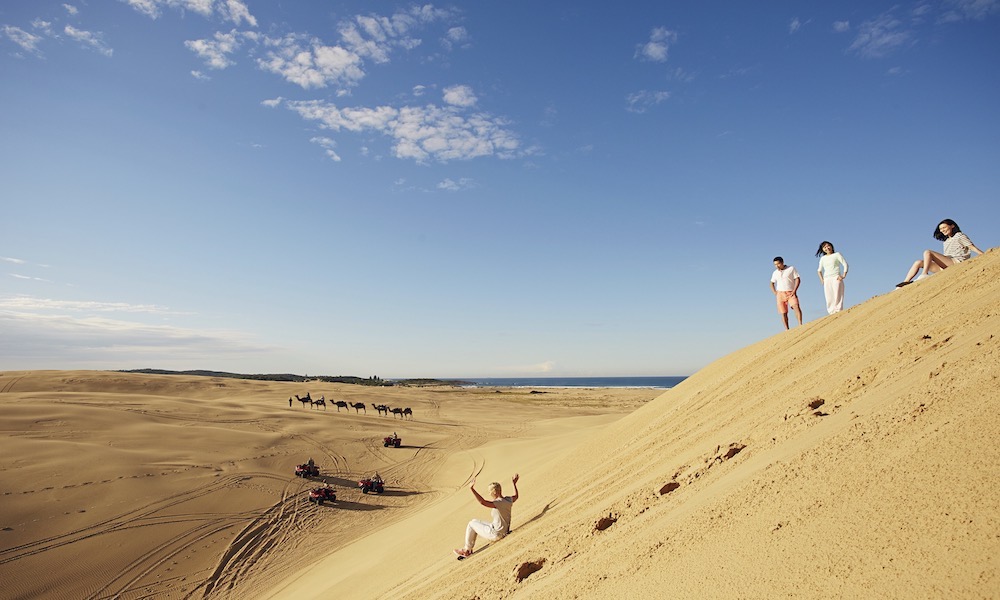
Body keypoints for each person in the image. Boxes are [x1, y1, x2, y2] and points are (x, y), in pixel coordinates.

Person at [897, 219, 984, 287]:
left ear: (952, 226)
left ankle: (924, 274)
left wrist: (984, 255)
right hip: (946, 265)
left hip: (956, 262)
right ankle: (904, 284)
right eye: (941, 229)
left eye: (944, 228)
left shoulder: (959, 236)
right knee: (918, 262)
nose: (942, 230)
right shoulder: (946, 241)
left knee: (928, 252)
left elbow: (971, 246)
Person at [454, 474, 519, 558]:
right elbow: (516, 496)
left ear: (494, 492)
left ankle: (466, 550)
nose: (489, 493)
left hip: (496, 534)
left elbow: (483, 502)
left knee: (471, 524)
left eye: (489, 492)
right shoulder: (508, 500)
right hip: (501, 530)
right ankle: (468, 548)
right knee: (474, 521)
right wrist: (514, 484)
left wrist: (472, 489)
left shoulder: (498, 503)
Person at [816, 241, 848, 314]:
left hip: (836, 277)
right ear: (823, 249)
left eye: (828, 246)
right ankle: (831, 312)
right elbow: (819, 270)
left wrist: (843, 275)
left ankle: (838, 310)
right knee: (829, 296)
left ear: (831, 246)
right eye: (824, 247)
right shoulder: (823, 258)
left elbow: (845, 264)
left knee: (838, 295)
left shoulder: (837, 254)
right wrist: (822, 280)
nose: (827, 248)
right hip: (827, 279)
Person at [770, 257, 802, 329]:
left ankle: (800, 324)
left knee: (796, 306)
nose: (777, 266)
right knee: (783, 312)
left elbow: (797, 279)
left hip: (790, 292)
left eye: (778, 264)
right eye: (775, 264)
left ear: (782, 262)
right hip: (780, 294)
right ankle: (787, 329)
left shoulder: (791, 268)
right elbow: (771, 283)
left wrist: (794, 290)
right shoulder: (775, 273)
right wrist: (775, 292)